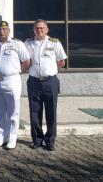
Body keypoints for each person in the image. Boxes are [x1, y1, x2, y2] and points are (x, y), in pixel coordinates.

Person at [0, 21, 30, 150]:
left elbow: (26, 61)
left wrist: (17, 71)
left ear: (9, 30)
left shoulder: (17, 43)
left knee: (13, 111)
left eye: (4, 29)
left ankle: (12, 138)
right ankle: (1, 136)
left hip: (12, 80)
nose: (2, 31)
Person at [25, 19, 67, 151]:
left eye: (42, 28)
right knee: (34, 112)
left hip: (50, 82)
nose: (39, 30)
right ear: (34, 30)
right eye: (37, 28)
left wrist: (50, 71)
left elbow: (61, 61)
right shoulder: (28, 43)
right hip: (34, 81)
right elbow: (25, 60)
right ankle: (37, 140)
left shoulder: (54, 43)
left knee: (51, 111)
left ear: (47, 29)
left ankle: (50, 141)